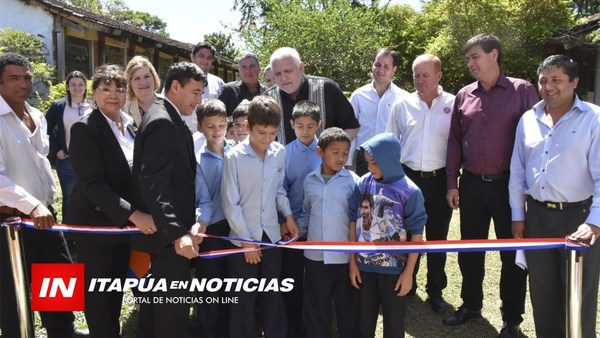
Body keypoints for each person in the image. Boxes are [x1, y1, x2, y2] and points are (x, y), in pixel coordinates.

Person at [444, 33, 538, 336]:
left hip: (508, 187)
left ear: (494, 55)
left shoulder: (522, 90)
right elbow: (455, 142)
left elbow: (535, 141)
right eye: (468, 58)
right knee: (470, 249)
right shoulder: (464, 95)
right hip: (471, 185)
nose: (470, 63)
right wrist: (452, 182)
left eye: (475, 57)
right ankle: (471, 305)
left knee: (512, 253)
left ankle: (511, 319)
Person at [509, 54, 600, 337]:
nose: (549, 87)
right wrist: (518, 217)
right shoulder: (528, 119)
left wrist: (595, 223)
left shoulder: (594, 119)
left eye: (556, 80)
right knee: (542, 293)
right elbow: (517, 172)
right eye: (543, 81)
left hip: (580, 220)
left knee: (578, 298)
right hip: (537, 217)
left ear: (574, 82)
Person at [0, 52, 86, 337]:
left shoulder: (36, 114)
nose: (23, 83)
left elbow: (40, 161)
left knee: (58, 270)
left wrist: (44, 201)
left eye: (27, 77)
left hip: (45, 212)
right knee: (14, 286)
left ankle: (63, 329)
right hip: (11, 219)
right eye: (14, 78)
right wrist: (31, 204)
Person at [68, 64, 156, 337]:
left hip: (120, 228)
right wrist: (136, 216)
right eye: (105, 88)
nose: (113, 94)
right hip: (95, 228)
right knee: (99, 302)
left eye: (119, 88)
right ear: (94, 93)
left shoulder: (129, 126)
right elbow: (93, 184)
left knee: (115, 293)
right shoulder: (86, 129)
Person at [130, 61, 206, 337]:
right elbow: (153, 184)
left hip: (170, 234)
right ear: (176, 86)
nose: (198, 101)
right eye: (195, 92)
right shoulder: (162, 121)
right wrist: (177, 234)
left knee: (158, 306)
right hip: (169, 239)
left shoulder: (168, 116)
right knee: (171, 310)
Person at [221, 95, 299, 337]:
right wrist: (246, 242)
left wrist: (288, 215)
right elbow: (230, 203)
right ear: (247, 127)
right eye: (261, 133)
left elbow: (278, 189)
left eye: (272, 133)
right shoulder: (233, 157)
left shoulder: (279, 152)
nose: (267, 139)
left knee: (273, 294)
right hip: (243, 242)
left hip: (271, 238)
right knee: (243, 299)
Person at [386, 53, 454, 312]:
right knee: (406, 236)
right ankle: (407, 283)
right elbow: (391, 144)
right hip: (408, 179)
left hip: (439, 180)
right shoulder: (402, 105)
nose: (420, 80)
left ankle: (435, 290)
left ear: (439, 75)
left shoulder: (454, 104)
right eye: (416, 75)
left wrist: (452, 183)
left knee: (437, 238)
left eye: (426, 75)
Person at [349, 133, 426, 337]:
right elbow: (352, 220)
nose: (370, 168)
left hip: (394, 272)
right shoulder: (363, 183)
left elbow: (416, 234)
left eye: (375, 163)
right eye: (367, 163)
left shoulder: (410, 191)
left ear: (389, 159)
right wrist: (352, 262)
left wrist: (408, 273)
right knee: (363, 324)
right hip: (364, 268)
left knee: (394, 325)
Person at [299, 127, 360, 337]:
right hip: (315, 258)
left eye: (345, 153)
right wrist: (295, 231)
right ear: (320, 152)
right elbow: (306, 212)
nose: (341, 157)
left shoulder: (354, 181)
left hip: (345, 259)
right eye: (335, 152)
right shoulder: (309, 181)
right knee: (317, 307)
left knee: (347, 308)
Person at [281, 100, 322, 336]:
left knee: (317, 279)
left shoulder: (324, 151)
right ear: (291, 124)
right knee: (292, 277)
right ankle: (293, 324)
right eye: (299, 126)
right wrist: (285, 220)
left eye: (310, 126)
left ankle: (317, 324)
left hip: (320, 227)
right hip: (292, 227)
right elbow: (280, 189)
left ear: (319, 124)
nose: (305, 131)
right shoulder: (283, 153)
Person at [193, 99, 232, 337]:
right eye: (210, 126)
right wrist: (202, 223)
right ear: (200, 128)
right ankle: (208, 329)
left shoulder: (238, 152)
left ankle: (229, 328)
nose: (216, 131)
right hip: (213, 229)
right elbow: (204, 199)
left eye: (221, 125)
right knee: (209, 283)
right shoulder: (198, 160)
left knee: (232, 282)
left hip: (238, 228)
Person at [267, 47, 360, 145]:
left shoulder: (327, 89)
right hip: (283, 160)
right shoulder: (269, 99)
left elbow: (351, 127)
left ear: (301, 68)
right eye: (277, 74)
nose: (283, 78)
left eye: (288, 71)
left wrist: (332, 152)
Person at [350, 48, 408, 175]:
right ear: (372, 65)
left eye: (386, 66)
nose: (381, 70)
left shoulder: (404, 98)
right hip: (363, 158)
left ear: (394, 69)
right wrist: (348, 163)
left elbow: (406, 134)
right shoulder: (358, 96)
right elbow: (351, 130)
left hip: (391, 158)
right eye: (378, 64)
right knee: (365, 194)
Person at [45, 70, 92, 223]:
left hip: (89, 160)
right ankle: (69, 234)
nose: (77, 87)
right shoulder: (59, 105)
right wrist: (57, 149)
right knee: (70, 197)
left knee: (91, 196)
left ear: (86, 86)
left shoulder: (93, 105)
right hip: (67, 160)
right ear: (67, 86)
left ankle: (87, 230)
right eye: (73, 84)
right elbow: (44, 128)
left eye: (80, 84)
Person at [184, 42, 224, 132]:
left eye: (209, 58)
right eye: (201, 56)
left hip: (211, 139)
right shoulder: (179, 81)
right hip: (184, 137)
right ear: (192, 57)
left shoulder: (219, 84)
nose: (205, 61)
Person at [124, 55, 161, 125]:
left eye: (146, 76)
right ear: (129, 83)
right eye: (137, 78)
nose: (143, 82)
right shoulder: (123, 108)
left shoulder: (168, 103)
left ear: (154, 77)